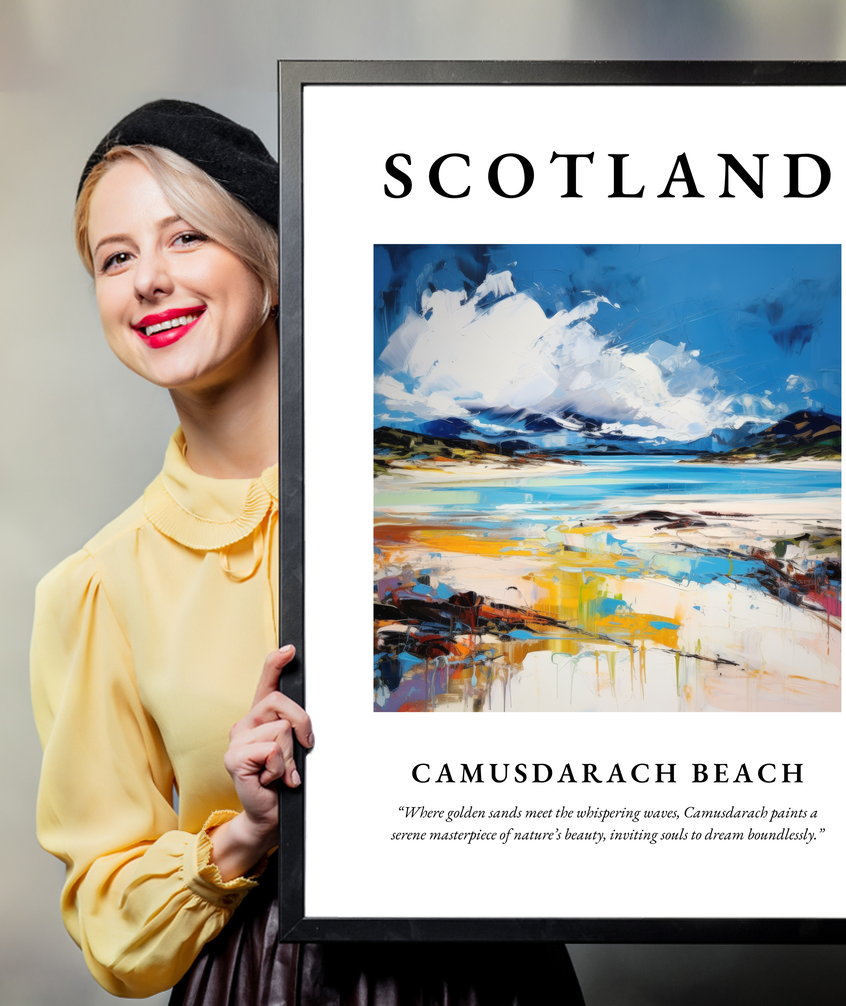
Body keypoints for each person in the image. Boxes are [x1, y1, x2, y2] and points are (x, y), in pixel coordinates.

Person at [30, 100, 586, 1004]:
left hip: (492, 973)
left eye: (185, 238)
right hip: (262, 982)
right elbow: (110, 924)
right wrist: (245, 832)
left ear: (273, 263)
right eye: (116, 257)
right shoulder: (97, 587)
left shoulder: (446, 507)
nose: (148, 281)